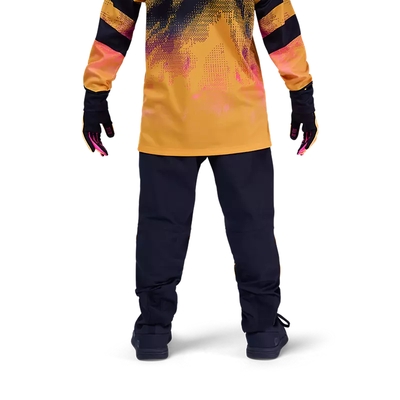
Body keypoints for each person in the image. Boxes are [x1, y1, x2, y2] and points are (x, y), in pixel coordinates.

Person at [82, 0, 318, 361]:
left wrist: (95, 95)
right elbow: (280, 28)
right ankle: (263, 330)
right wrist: (301, 94)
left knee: (161, 228)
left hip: (168, 120)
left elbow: (114, 26)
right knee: (252, 227)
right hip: (239, 121)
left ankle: (153, 330)